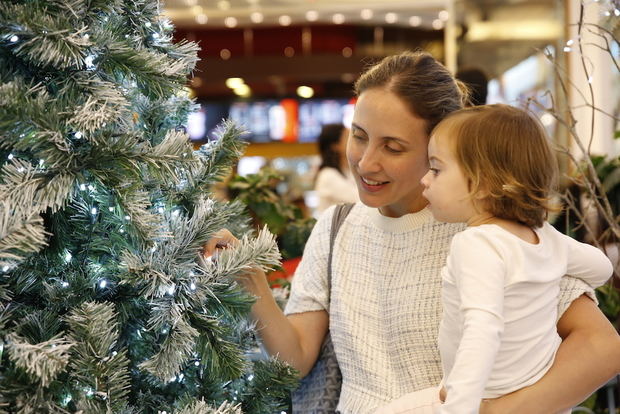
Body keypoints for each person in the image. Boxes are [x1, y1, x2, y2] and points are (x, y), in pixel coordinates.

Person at [203, 51, 620, 414]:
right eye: (360, 137)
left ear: (438, 146)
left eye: (393, 147)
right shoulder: (337, 226)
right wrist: (250, 280)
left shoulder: (489, 229)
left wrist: (494, 411)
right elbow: (295, 361)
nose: (366, 163)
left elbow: (602, 348)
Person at [416, 104, 612, 413]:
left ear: (482, 184)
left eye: (436, 169)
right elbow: (602, 269)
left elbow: (482, 329)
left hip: (488, 398)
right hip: (540, 399)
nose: (425, 179)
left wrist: (459, 407)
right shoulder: (545, 238)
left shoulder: (476, 244)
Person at [314, 123, 359, 215]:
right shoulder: (327, 175)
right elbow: (362, 200)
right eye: (348, 137)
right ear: (335, 146)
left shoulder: (348, 171)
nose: (355, 142)